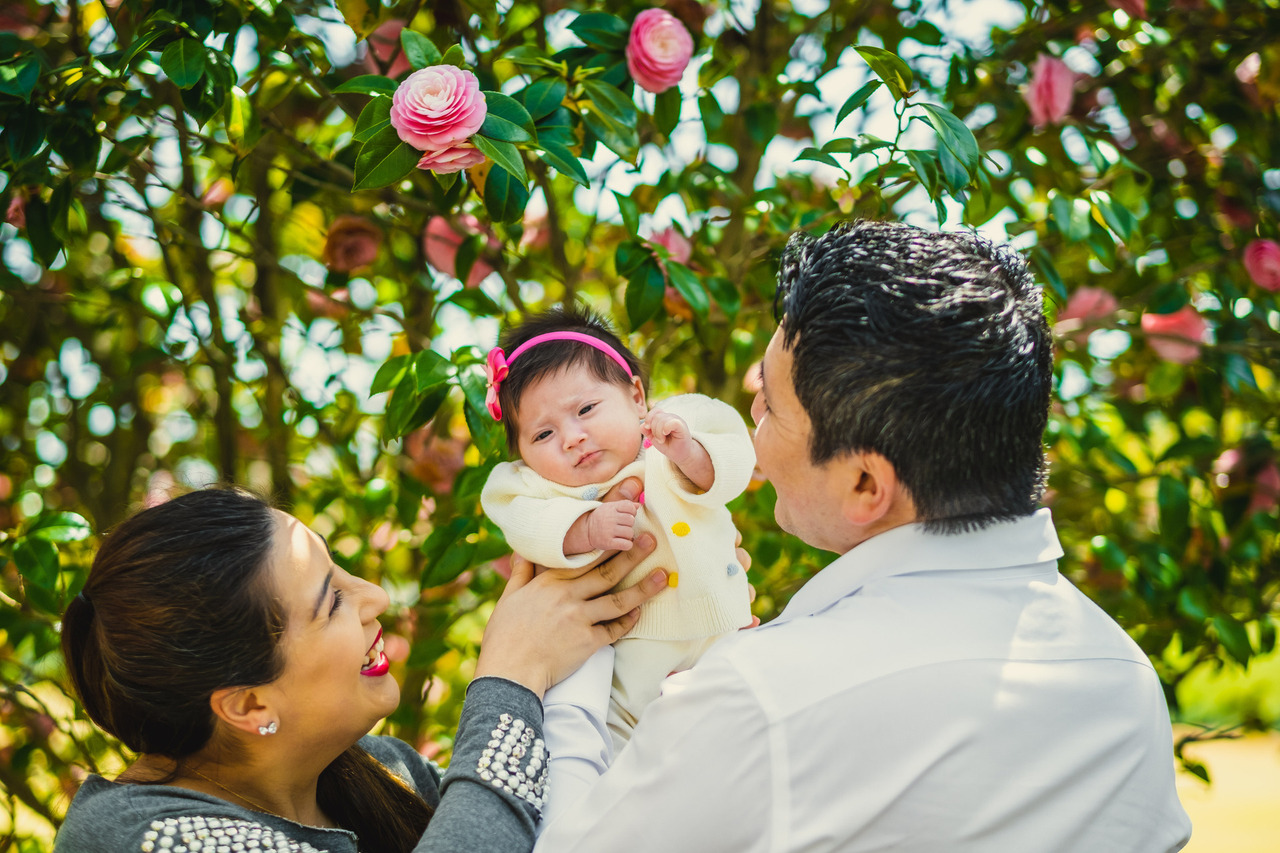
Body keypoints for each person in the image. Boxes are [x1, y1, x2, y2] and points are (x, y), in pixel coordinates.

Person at [536, 220, 1193, 850]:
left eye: (771, 402)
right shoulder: (1123, 676)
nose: (751, 415)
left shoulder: (761, 700)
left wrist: (559, 660)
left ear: (864, 486)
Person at [54, 486, 667, 853]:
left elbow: (577, 818)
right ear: (248, 704)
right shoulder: (135, 839)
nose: (374, 595)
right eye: (332, 600)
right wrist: (510, 679)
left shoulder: (384, 773)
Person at [481, 306, 755, 748]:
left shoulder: (673, 430)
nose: (571, 438)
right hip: (627, 657)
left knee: (742, 731)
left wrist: (690, 453)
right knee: (620, 752)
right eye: (542, 435)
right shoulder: (537, 488)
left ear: (636, 396)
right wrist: (584, 528)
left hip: (722, 632)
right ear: (522, 454)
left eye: (586, 409)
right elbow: (521, 518)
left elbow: (735, 452)